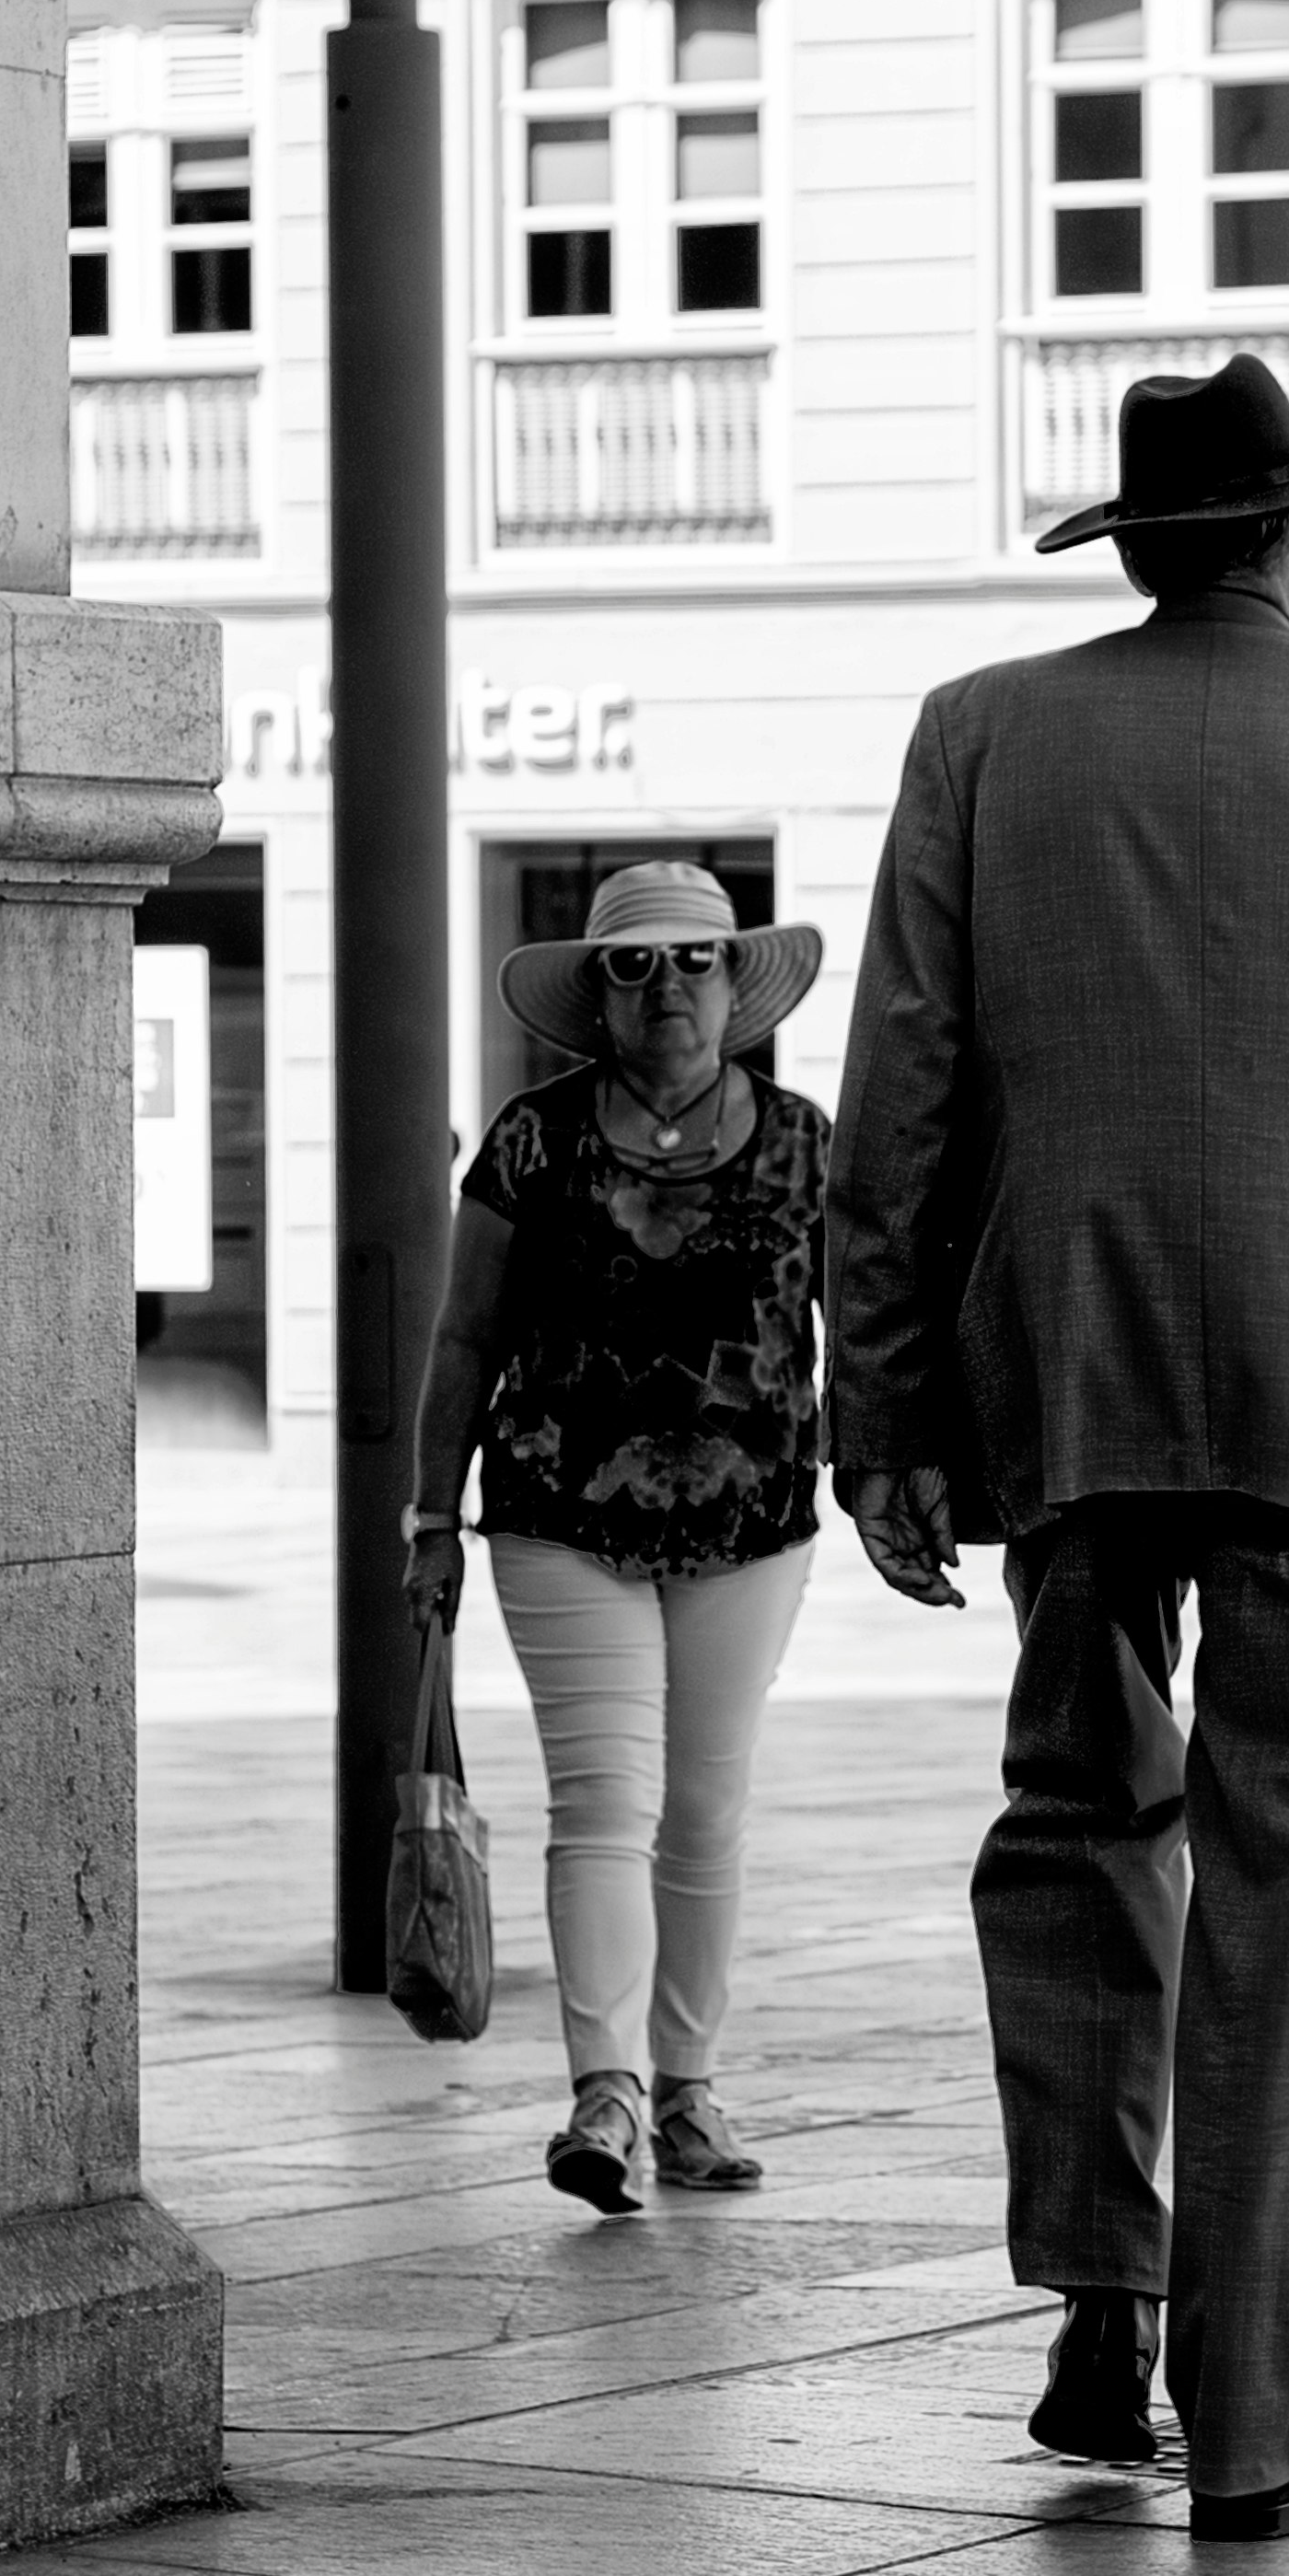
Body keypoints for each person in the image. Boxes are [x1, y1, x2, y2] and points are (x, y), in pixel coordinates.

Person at [824, 354, 1289, 2545]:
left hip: (1065, 1374)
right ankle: (1240, 2419)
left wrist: (879, 1409)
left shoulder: (981, 732)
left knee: (1072, 1816)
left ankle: (1094, 2276)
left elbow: (907, 1090)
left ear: (1143, 547)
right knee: (1282, 1891)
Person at [406, 859, 834, 2214]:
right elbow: (465, 1337)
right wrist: (430, 1513)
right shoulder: (532, 1139)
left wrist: (891, 1476)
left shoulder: (807, 1142)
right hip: (559, 1515)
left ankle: (692, 2088)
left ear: (737, 984)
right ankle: (607, 2096)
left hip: (753, 1527)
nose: (669, 990)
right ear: (596, 994)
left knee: (706, 1811)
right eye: (635, 966)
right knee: (606, 1801)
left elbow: (862, 1336)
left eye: (696, 961)